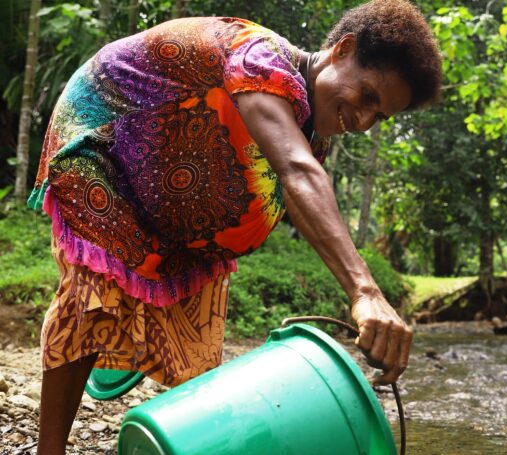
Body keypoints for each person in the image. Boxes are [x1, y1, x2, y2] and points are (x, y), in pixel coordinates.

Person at [27, 0, 442, 453]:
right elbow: (296, 172)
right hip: (103, 140)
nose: (363, 121)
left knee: (197, 361)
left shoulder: (312, 135)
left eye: (378, 117)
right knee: (93, 299)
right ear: (343, 50)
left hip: (168, 212)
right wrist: (365, 292)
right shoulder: (261, 58)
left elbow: (293, 186)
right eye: (367, 97)